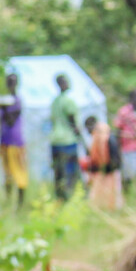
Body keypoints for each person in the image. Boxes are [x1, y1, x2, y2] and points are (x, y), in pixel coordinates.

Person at [49, 72, 84, 200]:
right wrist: (81, 136)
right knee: (70, 172)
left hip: (55, 141)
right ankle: (70, 197)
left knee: (58, 172)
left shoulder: (55, 101)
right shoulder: (69, 101)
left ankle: (60, 197)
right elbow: (73, 123)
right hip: (67, 141)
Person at [0, 72, 28, 208]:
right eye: (9, 81)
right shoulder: (4, 100)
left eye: (13, 81)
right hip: (5, 142)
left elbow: (10, 120)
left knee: (19, 172)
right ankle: (8, 201)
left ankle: (21, 204)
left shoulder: (17, 101)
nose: (11, 84)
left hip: (16, 142)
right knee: (7, 174)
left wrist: (3, 107)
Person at [82, 115, 123, 210]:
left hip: (110, 169)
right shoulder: (100, 135)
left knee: (112, 194)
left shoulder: (102, 135)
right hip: (105, 169)